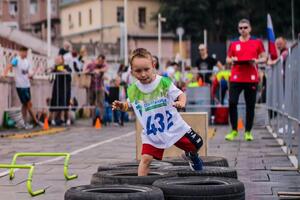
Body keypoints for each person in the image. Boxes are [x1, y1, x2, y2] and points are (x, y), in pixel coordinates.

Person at [112, 48, 204, 176]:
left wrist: (181, 103)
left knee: (197, 144)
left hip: (173, 126)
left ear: (153, 66)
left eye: (146, 69)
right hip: (152, 133)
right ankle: (142, 188)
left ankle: (192, 156)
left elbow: (181, 94)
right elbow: (130, 105)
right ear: (132, 71)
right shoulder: (133, 90)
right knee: (146, 160)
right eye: (138, 71)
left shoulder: (163, 83)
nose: (143, 74)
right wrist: (122, 106)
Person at [225, 19, 267, 141]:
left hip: (251, 78)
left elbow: (264, 57)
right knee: (232, 102)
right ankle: (234, 130)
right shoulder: (233, 43)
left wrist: (256, 61)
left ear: (250, 28)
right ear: (238, 29)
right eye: (241, 28)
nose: (243, 30)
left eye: (245, 27)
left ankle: (248, 131)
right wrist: (232, 59)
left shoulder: (257, 42)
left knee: (250, 105)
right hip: (236, 77)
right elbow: (227, 59)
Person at [2, 46, 42, 128]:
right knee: (28, 104)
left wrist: (31, 76)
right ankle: (36, 121)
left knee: (25, 104)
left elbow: (27, 74)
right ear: (20, 52)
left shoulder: (27, 61)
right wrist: (5, 74)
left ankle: (23, 123)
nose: (26, 54)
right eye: (25, 52)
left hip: (27, 85)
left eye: (27, 52)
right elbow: (9, 65)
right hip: (20, 86)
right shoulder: (16, 59)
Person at [85, 55, 108, 124]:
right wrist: (90, 71)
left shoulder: (103, 65)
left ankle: (101, 118)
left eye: (102, 61)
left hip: (100, 87)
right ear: (97, 59)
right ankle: (93, 118)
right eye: (99, 60)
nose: (100, 62)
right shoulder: (91, 65)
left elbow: (106, 68)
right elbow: (85, 71)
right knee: (92, 103)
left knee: (101, 102)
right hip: (91, 87)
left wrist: (98, 70)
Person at [49, 55, 72, 126]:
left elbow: (67, 72)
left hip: (65, 88)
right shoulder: (55, 67)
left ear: (62, 60)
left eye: (58, 59)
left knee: (65, 103)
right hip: (56, 87)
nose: (57, 61)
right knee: (54, 102)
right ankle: (52, 120)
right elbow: (50, 78)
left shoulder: (66, 66)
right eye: (56, 59)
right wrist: (50, 71)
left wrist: (61, 70)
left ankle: (67, 119)